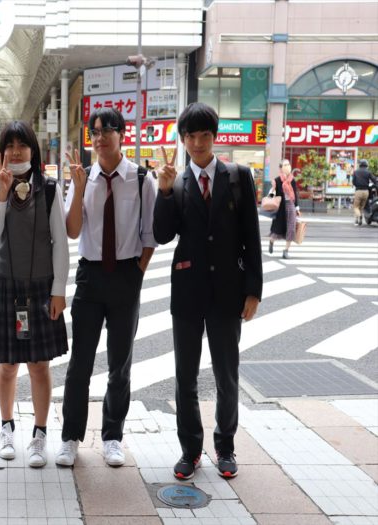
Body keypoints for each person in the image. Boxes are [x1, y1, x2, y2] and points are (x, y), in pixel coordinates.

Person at [153, 102, 263, 480]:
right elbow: (163, 234)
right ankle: (190, 450)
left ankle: (225, 446)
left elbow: (251, 236)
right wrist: (164, 192)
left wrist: (253, 291)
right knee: (185, 376)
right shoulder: (176, 181)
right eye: (191, 136)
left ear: (215, 137)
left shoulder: (238, 176)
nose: (198, 143)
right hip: (187, 291)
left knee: (226, 374)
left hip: (229, 292)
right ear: (183, 140)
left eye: (204, 135)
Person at [59, 107, 157, 467]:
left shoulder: (141, 178)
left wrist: (137, 272)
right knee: (80, 362)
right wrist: (78, 189)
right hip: (90, 275)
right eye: (94, 132)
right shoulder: (82, 177)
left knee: (120, 363)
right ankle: (70, 437)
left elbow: (149, 235)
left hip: (126, 276)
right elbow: (72, 231)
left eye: (107, 130)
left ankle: (112, 436)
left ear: (122, 135)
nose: (99, 138)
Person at [0, 121, 69, 469]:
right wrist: (3, 193)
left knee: (39, 365)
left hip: (41, 286)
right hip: (8, 285)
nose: (16, 151)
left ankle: (40, 434)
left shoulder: (49, 188)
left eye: (22, 145)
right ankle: (5, 428)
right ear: (2, 152)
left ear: (33, 150)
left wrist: (59, 291)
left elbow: (60, 241)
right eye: (10, 145)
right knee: (7, 365)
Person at [269, 160, 300, 259]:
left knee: (291, 227)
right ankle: (271, 241)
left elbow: (295, 194)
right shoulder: (277, 180)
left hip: (290, 204)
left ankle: (286, 251)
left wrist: (297, 208)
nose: (287, 166)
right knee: (277, 228)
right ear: (281, 168)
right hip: (280, 206)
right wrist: (272, 191)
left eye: (288, 164)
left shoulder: (292, 180)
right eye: (285, 165)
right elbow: (271, 194)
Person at [352, 159, 377, 226]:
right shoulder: (368, 172)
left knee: (356, 207)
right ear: (366, 165)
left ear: (360, 164)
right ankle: (357, 221)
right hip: (366, 192)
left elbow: (353, 182)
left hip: (358, 191)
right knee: (361, 207)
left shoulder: (356, 172)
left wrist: (357, 185)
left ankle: (359, 216)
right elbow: (374, 180)